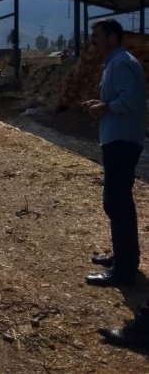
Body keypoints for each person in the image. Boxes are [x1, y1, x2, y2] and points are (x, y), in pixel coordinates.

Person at [81, 18, 146, 287]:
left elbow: (129, 101)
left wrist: (103, 109)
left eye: (97, 34)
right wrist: (101, 103)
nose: (92, 39)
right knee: (118, 202)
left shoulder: (121, 62)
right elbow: (121, 98)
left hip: (122, 140)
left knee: (116, 202)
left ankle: (124, 271)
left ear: (112, 37)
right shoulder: (115, 62)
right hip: (118, 137)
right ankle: (123, 258)